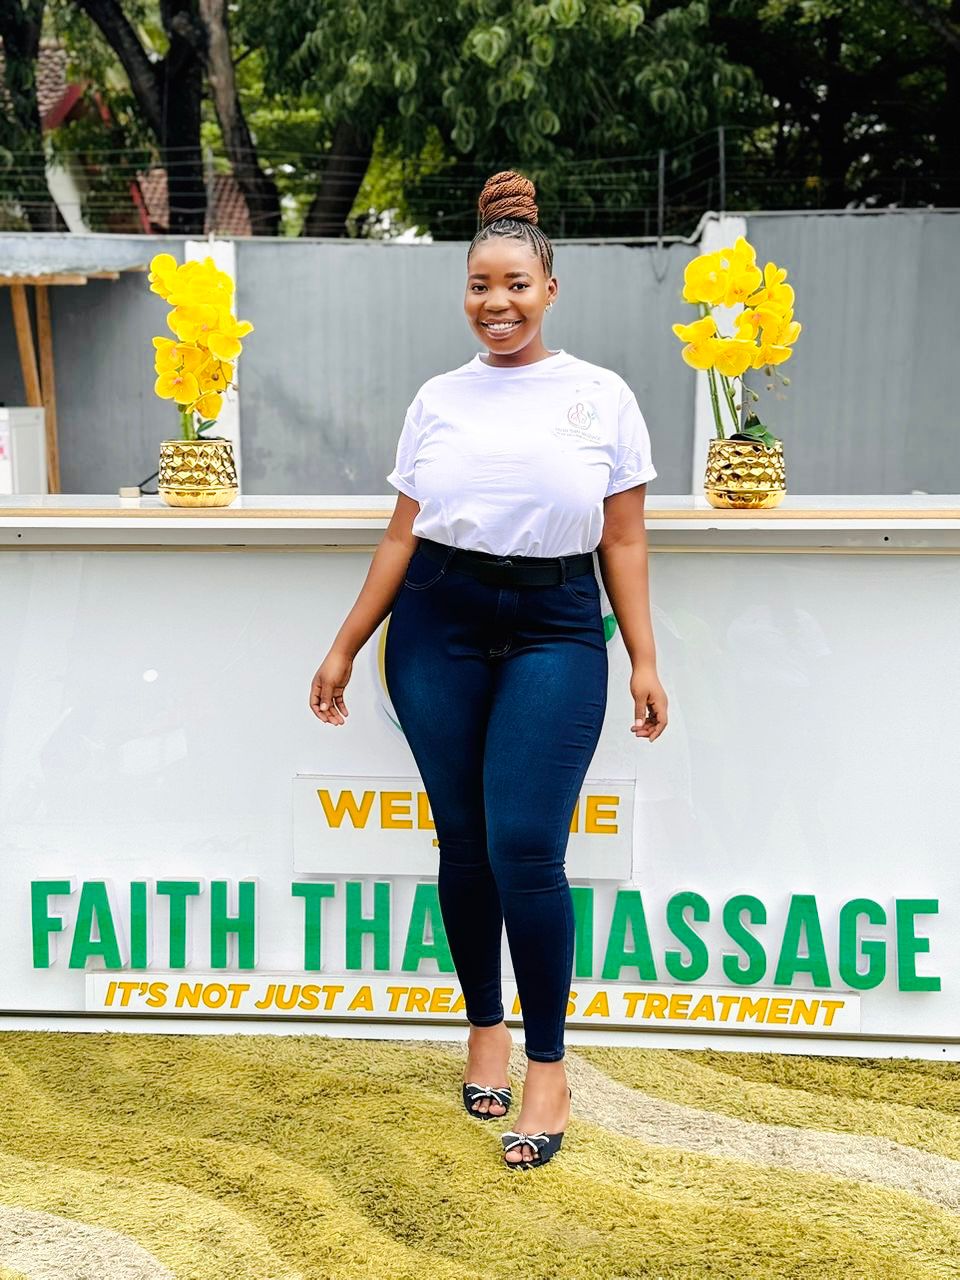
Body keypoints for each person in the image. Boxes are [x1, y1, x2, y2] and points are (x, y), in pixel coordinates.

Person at [309, 169, 668, 1171]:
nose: (496, 302)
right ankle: (484, 1031)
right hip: (439, 620)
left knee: (525, 845)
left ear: (549, 288)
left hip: (557, 624)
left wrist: (644, 657)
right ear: (464, 290)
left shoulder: (601, 396)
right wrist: (345, 643)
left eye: (515, 284)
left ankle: (548, 1066)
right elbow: (402, 534)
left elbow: (624, 541)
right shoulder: (440, 398)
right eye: (479, 285)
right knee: (464, 842)